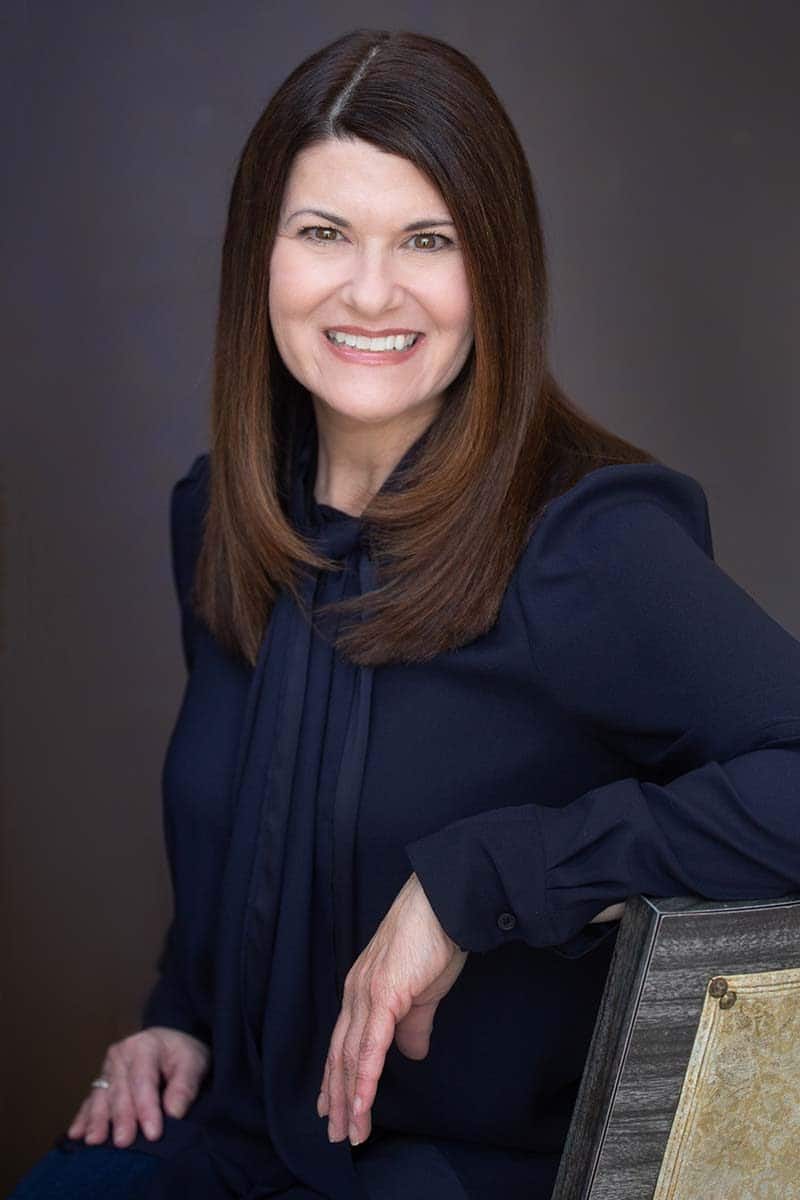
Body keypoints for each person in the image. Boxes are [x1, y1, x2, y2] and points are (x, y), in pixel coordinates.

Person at [11, 25, 800, 1200]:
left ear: (495, 267)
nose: (369, 290)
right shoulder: (221, 513)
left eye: (425, 239)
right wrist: (180, 1015)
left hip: (464, 1174)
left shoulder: (587, 542)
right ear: (257, 258)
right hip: (235, 1133)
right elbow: (247, 826)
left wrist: (482, 878)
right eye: (322, 232)